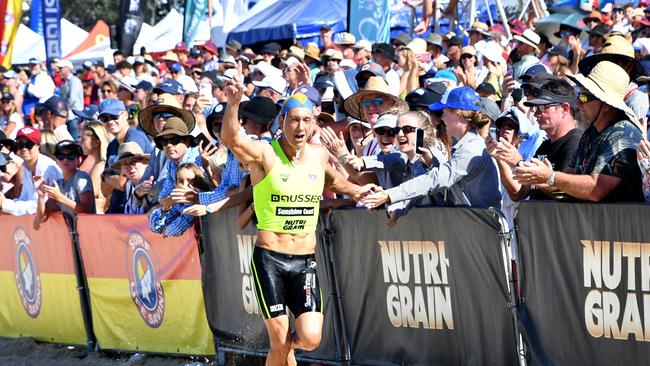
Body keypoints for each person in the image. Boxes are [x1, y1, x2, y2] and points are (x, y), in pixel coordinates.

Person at [217, 77, 373, 365]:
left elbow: (338, 182)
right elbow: (232, 139)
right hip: (270, 260)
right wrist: (234, 103)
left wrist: (360, 191)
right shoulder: (265, 153)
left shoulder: (318, 155)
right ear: (281, 121)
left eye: (307, 120)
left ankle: (284, 353)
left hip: (305, 261)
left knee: (309, 339)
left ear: (313, 124)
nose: (300, 127)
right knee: (279, 337)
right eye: (294, 120)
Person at [515, 61, 644, 202]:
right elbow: (565, 192)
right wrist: (540, 178)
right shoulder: (590, 134)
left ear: (606, 104)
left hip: (620, 222)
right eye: (578, 97)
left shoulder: (623, 133)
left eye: (584, 97)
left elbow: (596, 190)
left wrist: (551, 177)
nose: (578, 104)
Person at [364, 86, 501, 209]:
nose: (442, 118)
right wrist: (432, 164)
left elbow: (435, 180)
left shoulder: (470, 148)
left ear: (458, 115)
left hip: (484, 228)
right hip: (475, 224)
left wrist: (389, 195)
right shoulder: (465, 144)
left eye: (444, 112)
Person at [33, 140, 95, 229]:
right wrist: (41, 197)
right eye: (61, 156)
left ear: (79, 159)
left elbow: (85, 211)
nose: (65, 159)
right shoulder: (58, 184)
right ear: (56, 161)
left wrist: (59, 197)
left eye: (71, 156)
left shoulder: (81, 177)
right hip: (72, 236)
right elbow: (42, 218)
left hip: (88, 233)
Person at [1, 127, 62, 216]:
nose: (24, 148)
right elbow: (24, 199)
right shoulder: (25, 166)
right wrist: (5, 203)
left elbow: (39, 206)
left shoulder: (47, 168)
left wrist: (6, 204)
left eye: (29, 144)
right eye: (20, 144)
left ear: (38, 145)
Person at [109, 142, 152, 214]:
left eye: (134, 162)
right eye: (125, 164)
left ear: (145, 163)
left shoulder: (152, 182)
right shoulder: (129, 185)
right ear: (122, 169)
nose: (131, 167)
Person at [79, 122, 112, 214]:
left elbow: (87, 198)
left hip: (96, 220)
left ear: (96, 143)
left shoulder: (100, 167)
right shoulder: (97, 165)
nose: (79, 142)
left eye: (83, 139)